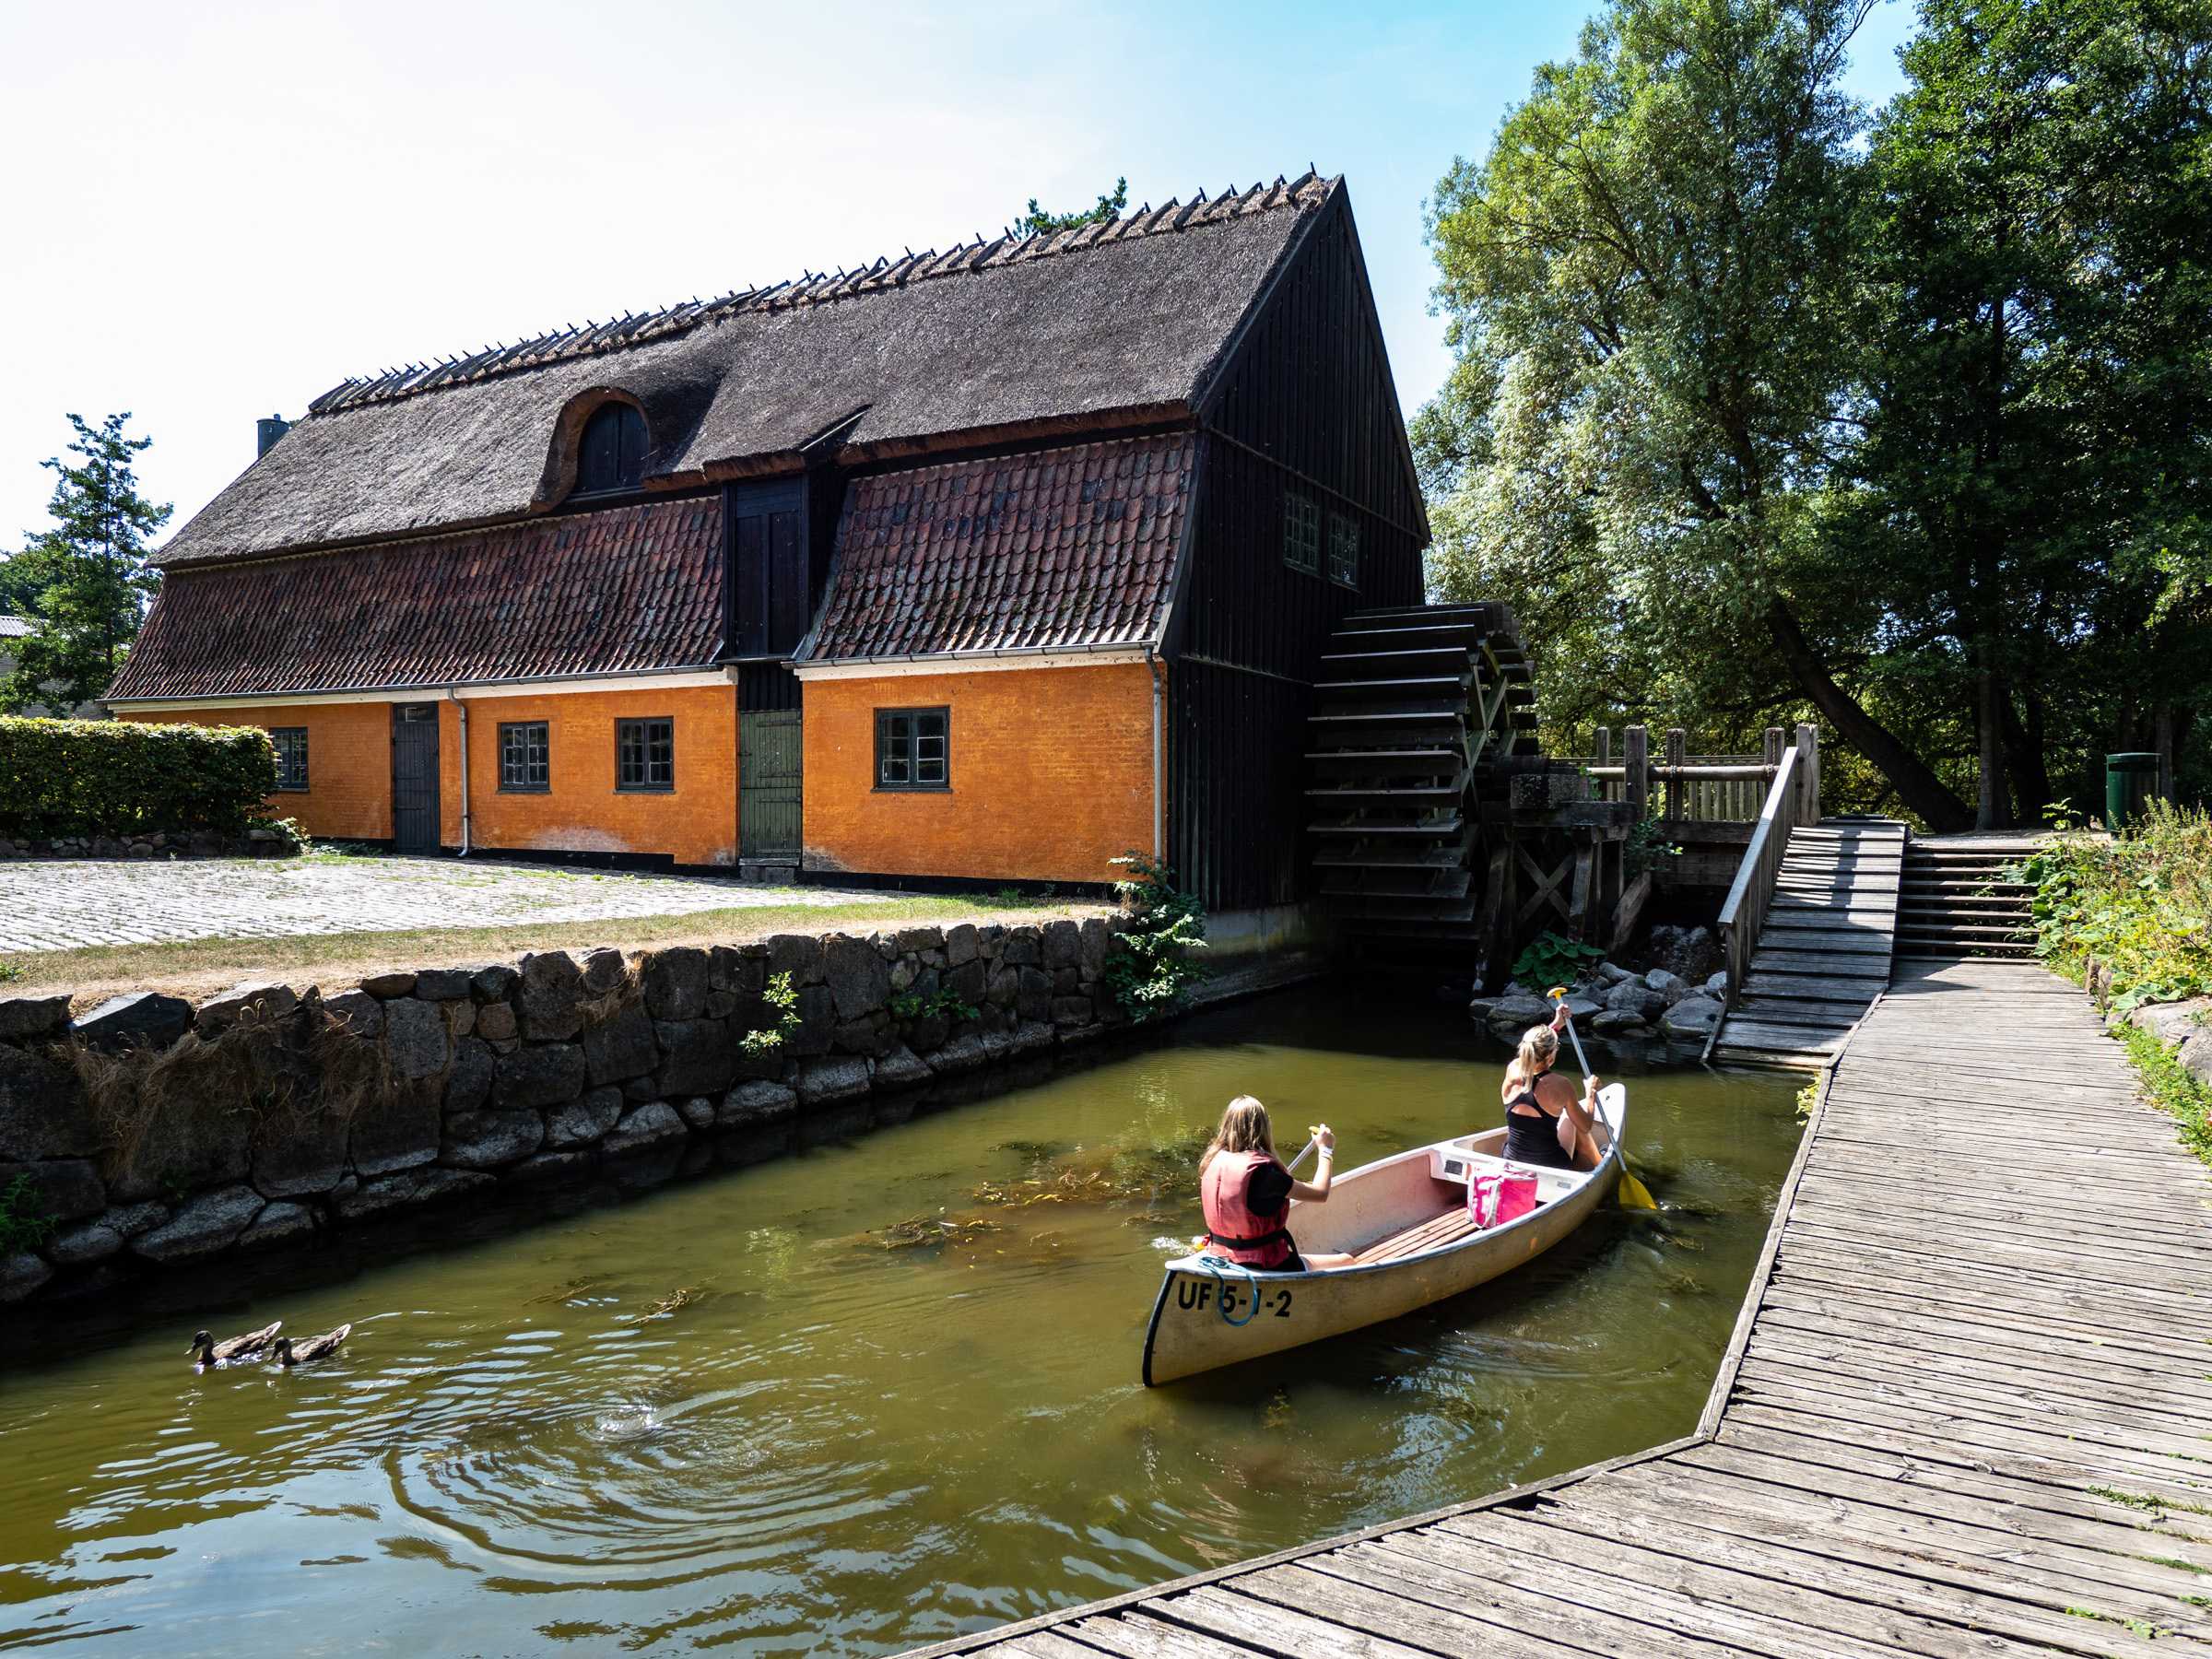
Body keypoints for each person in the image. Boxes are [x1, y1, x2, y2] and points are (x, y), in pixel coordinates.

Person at [1196, 1097, 1354, 1271]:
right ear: (1264, 1127)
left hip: (1220, 1255)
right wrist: (1326, 1149)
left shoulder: (1211, 1161)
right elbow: (1320, 1193)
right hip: (1266, 1264)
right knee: (1347, 1260)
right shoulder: (1266, 1173)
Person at [1500, 1008, 1604, 1171]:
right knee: (1573, 1119)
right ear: (1550, 1057)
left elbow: (1534, 1048)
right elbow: (1585, 1126)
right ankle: (1599, 1163)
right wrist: (1590, 1093)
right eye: (1557, 1047)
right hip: (1550, 1167)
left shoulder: (1512, 1069)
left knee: (1568, 1116)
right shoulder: (1561, 1084)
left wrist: (1556, 1025)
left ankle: (1597, 1161)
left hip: (1511, 1160)